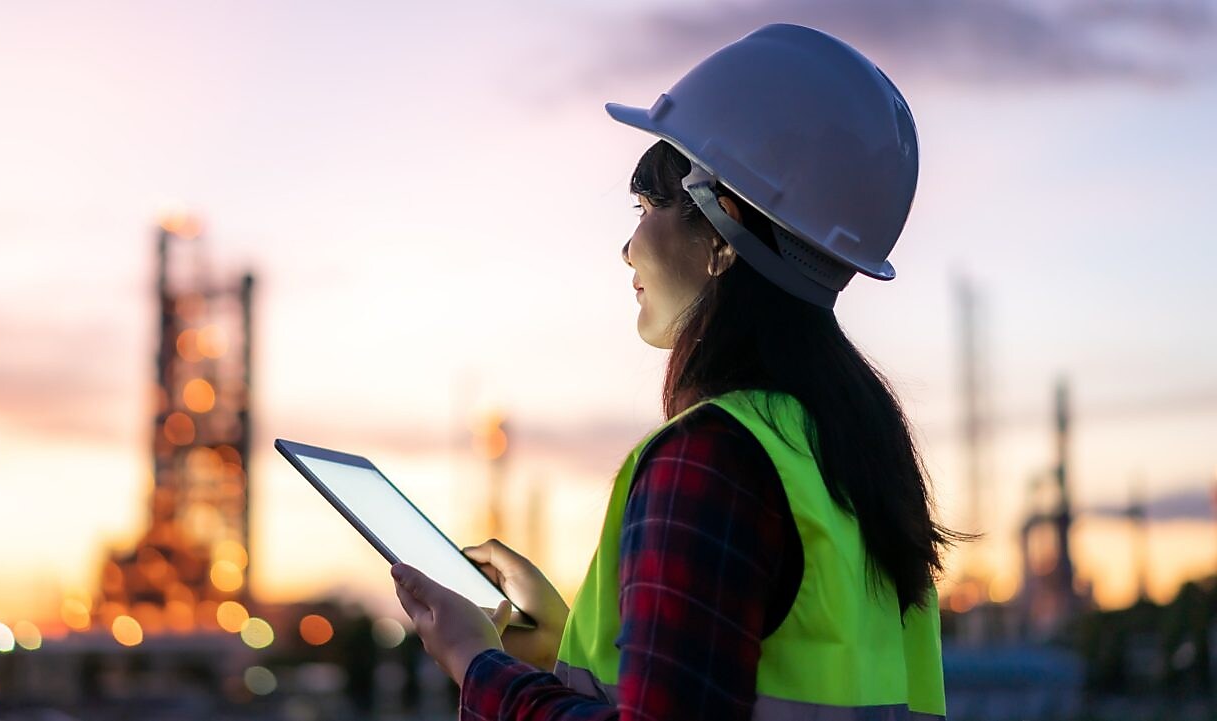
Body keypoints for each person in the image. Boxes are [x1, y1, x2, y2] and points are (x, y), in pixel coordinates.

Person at [390, 23, 965, 721]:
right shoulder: (850, 453)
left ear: (723, 229)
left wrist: (474, 661)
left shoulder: (711, 458)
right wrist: (554, 648)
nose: (627, 247)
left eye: (648, 206)